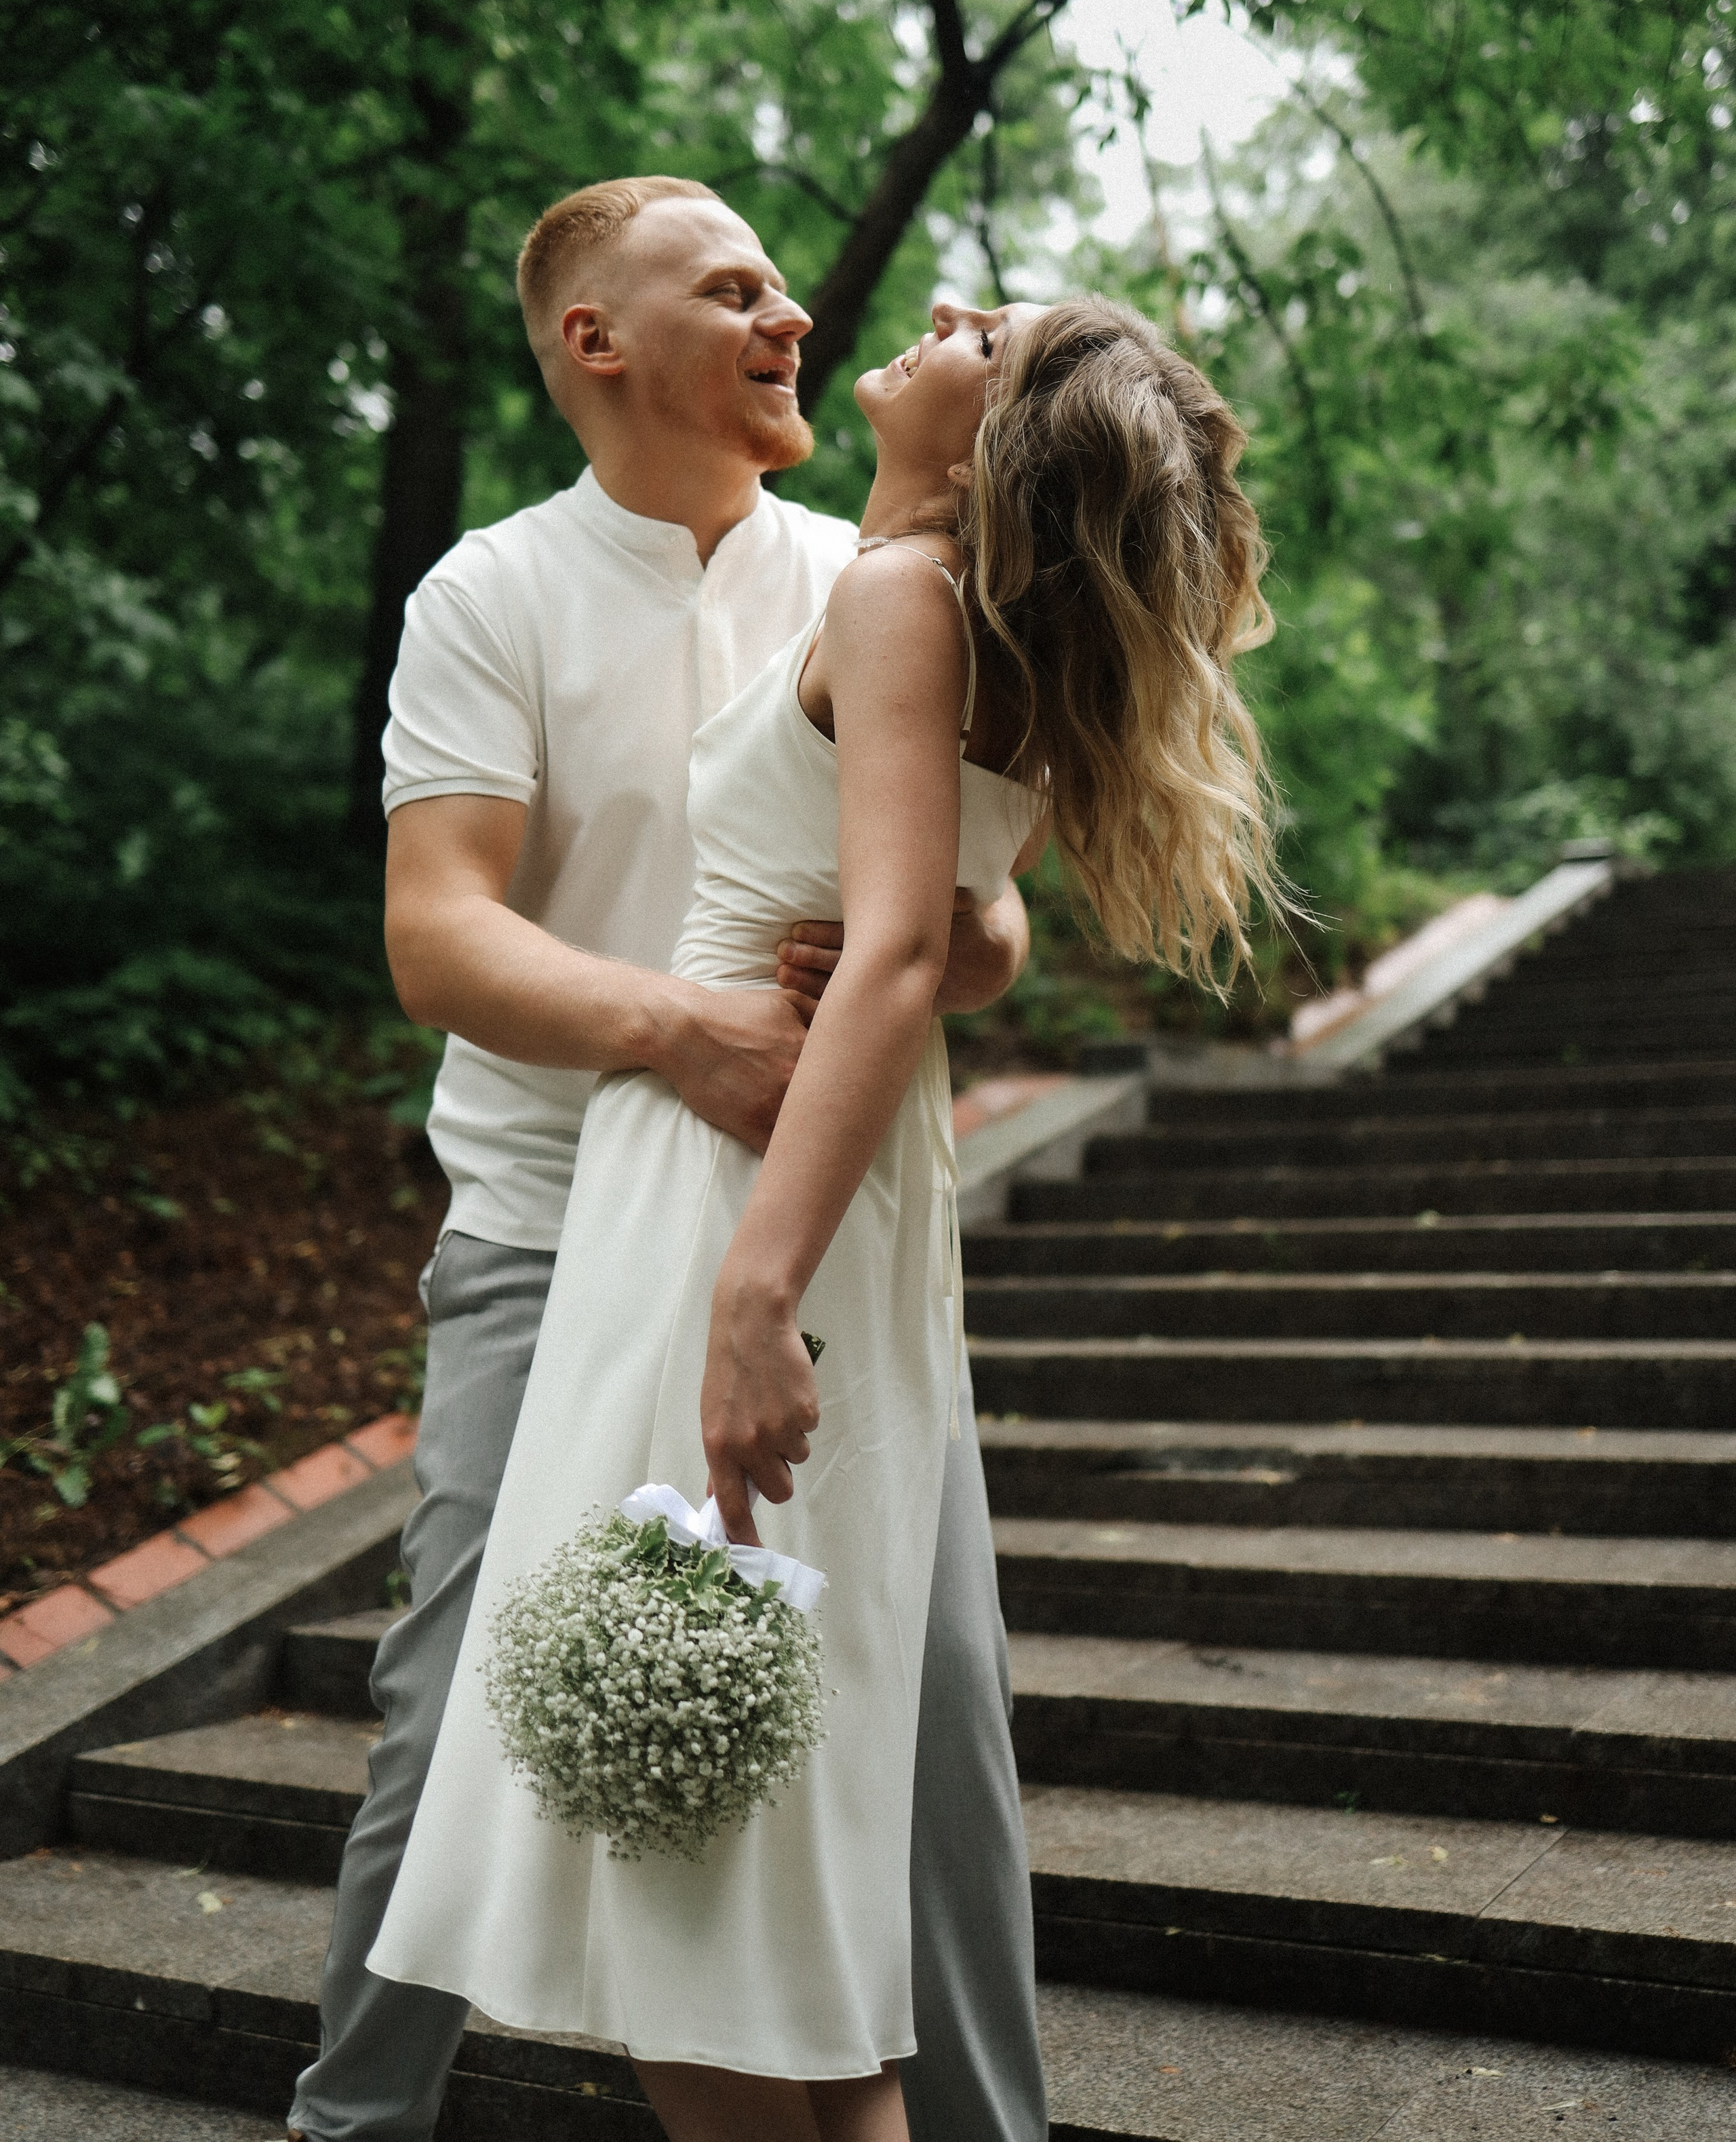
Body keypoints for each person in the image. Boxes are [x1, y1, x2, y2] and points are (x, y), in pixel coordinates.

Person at [368, 289, 1281, 2142]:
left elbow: (890, 957)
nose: (939, 310)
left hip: (738, 1191)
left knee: (700, 1889)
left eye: (989, 326)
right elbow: (952, 920)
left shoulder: (893, 600)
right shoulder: (940, 603)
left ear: (1001, 426)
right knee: (729, 1854)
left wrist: (752, 1295)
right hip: (776, 1181)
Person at [287, 176, 1041, 2142]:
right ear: (592, 342)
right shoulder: (493, 594)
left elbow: (975, 911)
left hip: (833, 1252)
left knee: (936, 1728)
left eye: (787, 285)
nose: (790, 313)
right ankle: (351, 2127)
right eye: (733, 290)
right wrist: (676, 1026)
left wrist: (971, 944)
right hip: (553, 1236)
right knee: (461, 1704)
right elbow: (436, 931)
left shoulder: (877, 564)